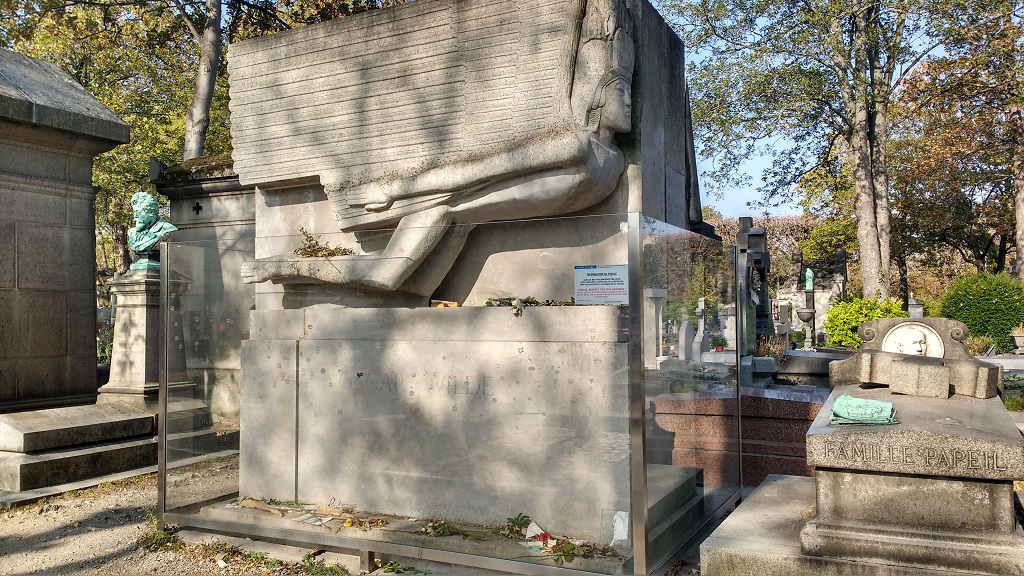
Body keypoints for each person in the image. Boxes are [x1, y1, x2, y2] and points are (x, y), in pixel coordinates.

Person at [242, 0, 634, 294]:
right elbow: (479, 170)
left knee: (409, 290)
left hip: (463, 222)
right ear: (598, 97)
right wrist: (396, 190)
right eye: (621, 90)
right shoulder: (575, 145)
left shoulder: (613, 164)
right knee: (384, 277)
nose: (630, 100)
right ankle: (281, 266)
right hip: (439, 206)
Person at [127, 192, 177, 270]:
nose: (135, 217)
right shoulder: (132, 232)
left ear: (151, 212)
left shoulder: (167, 230)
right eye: (134, 212)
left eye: (138, 213)